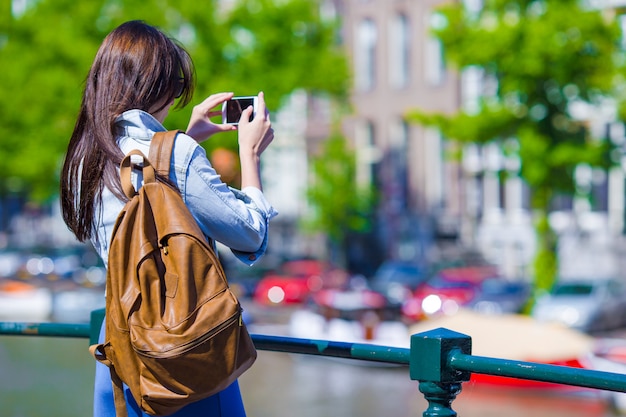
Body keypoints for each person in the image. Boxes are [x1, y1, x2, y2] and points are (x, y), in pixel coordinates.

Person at [59, 20, 277, 417]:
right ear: (153, 86)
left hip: (118, 348)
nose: (177, 96)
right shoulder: (176, 155)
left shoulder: (83, 157)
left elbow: (140, 204)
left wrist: (184, 139)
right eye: (175, 84)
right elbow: (250, 233)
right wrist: (251, 155)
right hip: (183, 346)